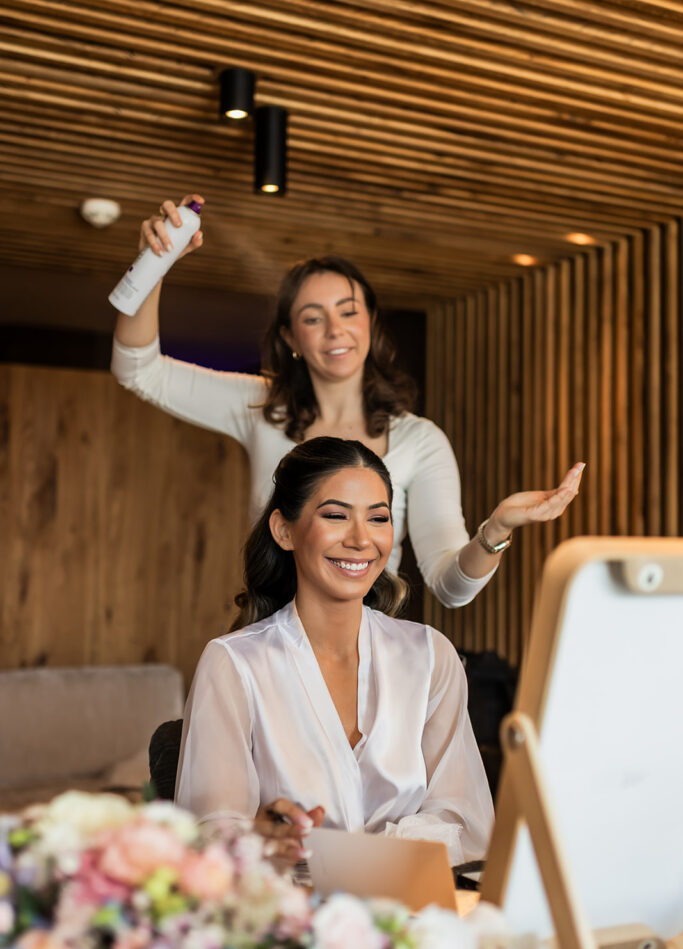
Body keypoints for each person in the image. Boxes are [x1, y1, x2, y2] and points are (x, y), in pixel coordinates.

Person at [111, 194, 584, 608]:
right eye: (313, 318)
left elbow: (450, 586)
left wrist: (497, 528)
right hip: (267, 646)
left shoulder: (418, 440)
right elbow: (138, 369)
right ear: (290, 336)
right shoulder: (262, 406)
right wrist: (156, 262)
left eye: (348, 312)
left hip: (369, 655)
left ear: (371, 322)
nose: (335, 330)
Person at [175, 437, 494, 867]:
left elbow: (464, 819)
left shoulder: (430, 657)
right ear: (284, 531)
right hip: (284, 918)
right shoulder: (233, 664)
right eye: (336, 515)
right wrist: (259, 837)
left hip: (408, 913)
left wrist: (358, 863)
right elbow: (211, 832)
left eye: (377, 518)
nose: (362, 539)